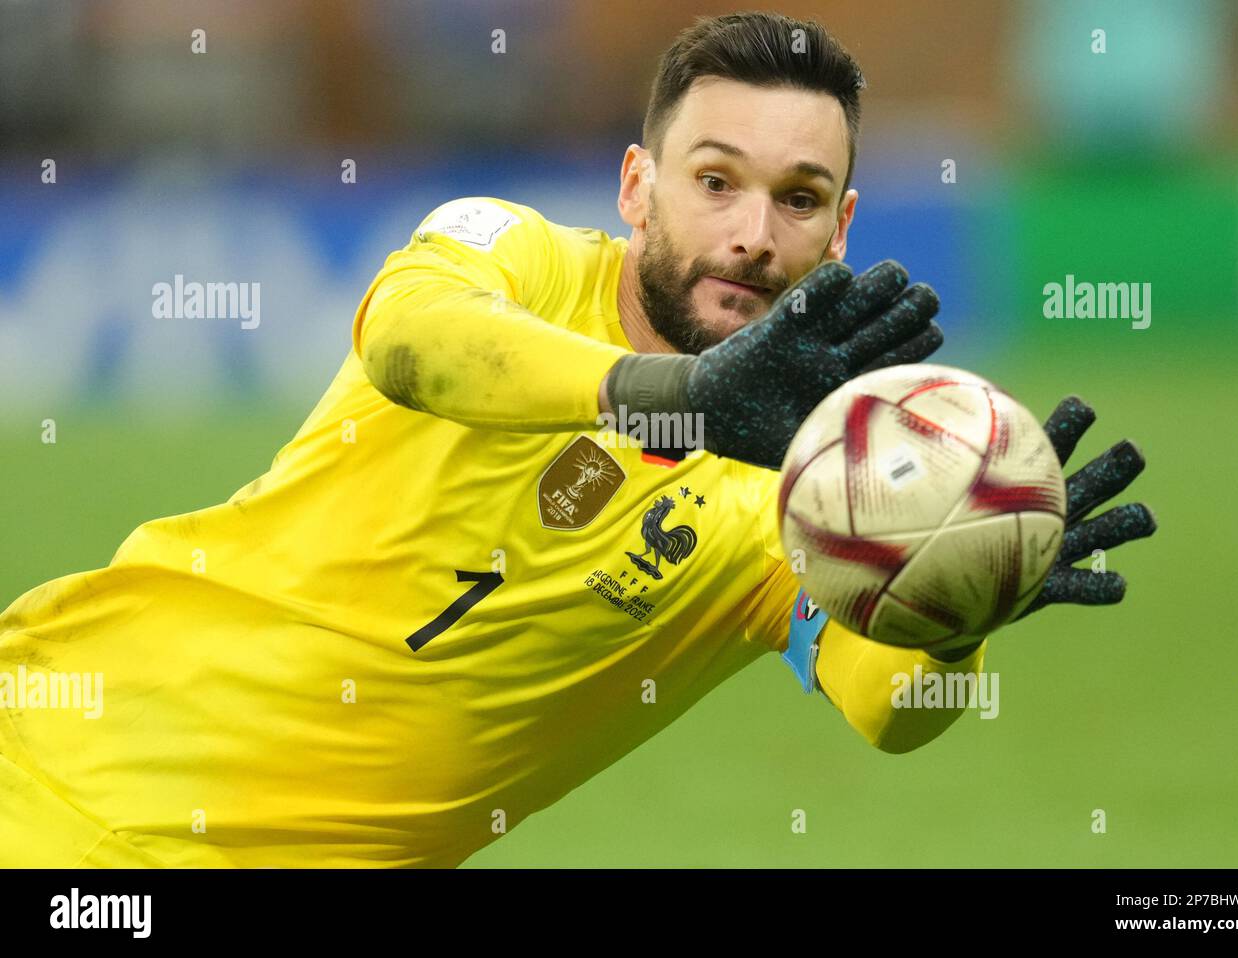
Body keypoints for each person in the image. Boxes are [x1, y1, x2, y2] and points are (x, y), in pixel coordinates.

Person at [0, 11, 1154, 868]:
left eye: (799, 198)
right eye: (715, 182)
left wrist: (954, 609)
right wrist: (684, 397)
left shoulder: (803, 493)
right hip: (39, 781)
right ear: (635, 187)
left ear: (842, 226)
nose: (752, 234)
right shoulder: (512, 253)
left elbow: (883, 711)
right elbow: (415, 338)